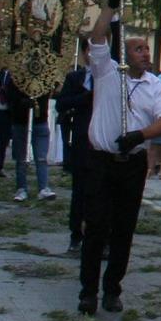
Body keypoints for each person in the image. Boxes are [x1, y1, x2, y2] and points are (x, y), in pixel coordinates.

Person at [76, 0, 161, 315]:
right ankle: (87, 290)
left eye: (147, 49)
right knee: (96, 228)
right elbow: (98, 37)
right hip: (101, 161)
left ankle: (112, 289)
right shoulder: (106, 71)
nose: (145, 53)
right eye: (138, 49)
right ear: (125, 52)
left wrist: (139, 136)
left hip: (131, 163)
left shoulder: (155, 85)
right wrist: (110, 5)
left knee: (124, 230)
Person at [56, 46, 93, 254]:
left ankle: (100, 236)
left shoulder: (111, 78)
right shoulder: (75, 78)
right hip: (80, 140)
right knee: (79, 192)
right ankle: (76, 234)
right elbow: (62, 104)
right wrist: (85, 98)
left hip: (103, 143)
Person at [0, 69, 53, 203]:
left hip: (39, 120)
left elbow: (48, 92)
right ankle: (21, 188)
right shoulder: (15, 75)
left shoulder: (44, 75)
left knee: (41, 157)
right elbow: (10, 96)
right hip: (20, 121)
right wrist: (22, 102)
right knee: (21, 158)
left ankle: (43, 187)